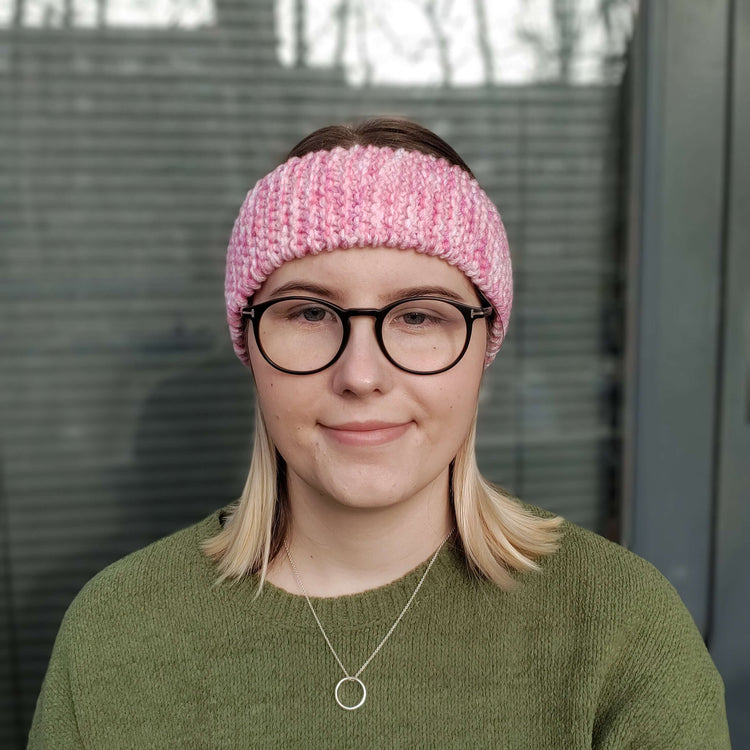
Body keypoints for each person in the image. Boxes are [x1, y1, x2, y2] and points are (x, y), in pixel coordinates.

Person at [28, 118, 729, 749]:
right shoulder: (116, 633)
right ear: (249, 342)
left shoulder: (620, 631)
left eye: (418, 317)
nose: (361, 375)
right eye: (308, 313)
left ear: (484, 348)